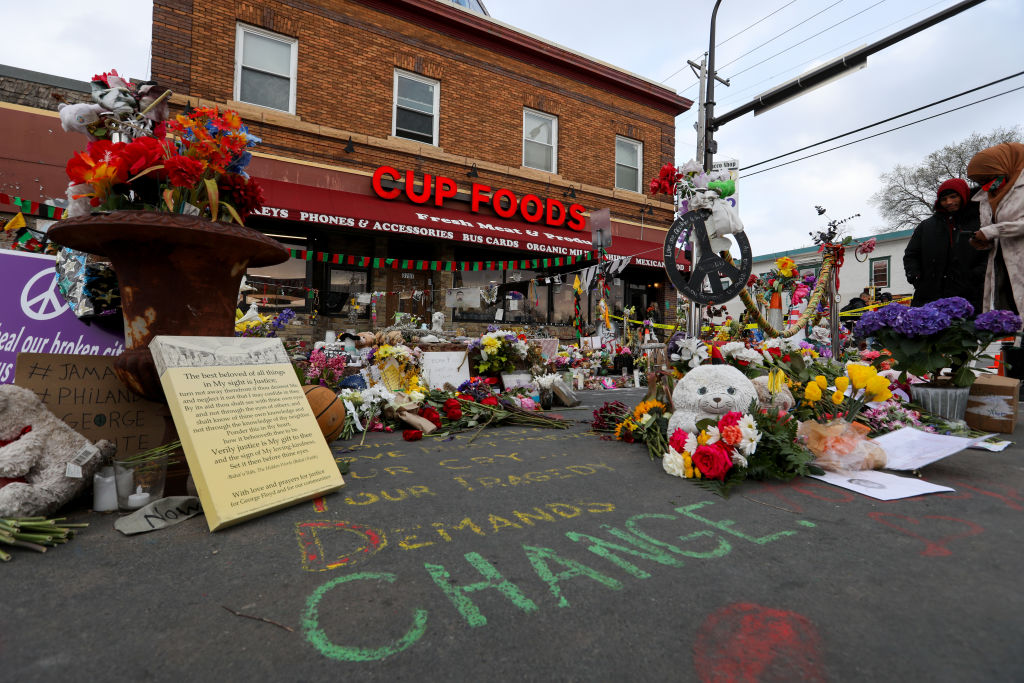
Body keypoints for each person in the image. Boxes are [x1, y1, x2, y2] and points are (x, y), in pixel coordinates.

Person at [903, 178, 985, 312]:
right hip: (929, 296)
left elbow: (989, 253)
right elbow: (911, 255)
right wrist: (915, 276)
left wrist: (976, 276)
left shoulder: (981, 221)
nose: (949, 202)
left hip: (970, 297)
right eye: (944, 199)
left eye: (954, 196)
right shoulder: (926, 226)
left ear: (964, 195)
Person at [967, 142, 1024, 315]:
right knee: (1009, 316)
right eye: (980, 182)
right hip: (1003, 268)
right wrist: (983, 240)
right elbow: (989, 229)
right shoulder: (985, 197)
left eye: (988, 178)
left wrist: (993, 231)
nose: (986, 186)